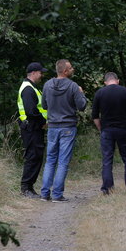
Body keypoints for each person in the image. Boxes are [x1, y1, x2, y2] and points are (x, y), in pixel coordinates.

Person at [40, 59, 87, 202]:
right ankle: (57, 195)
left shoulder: (47, 85)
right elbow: (82, 106)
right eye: (71, 68)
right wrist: (81, 93)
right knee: (63, 162)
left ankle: (44, 193)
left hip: (53, 127)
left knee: (50, 161)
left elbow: (44, 105)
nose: (73, 69)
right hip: (68, 127)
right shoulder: (73, 86)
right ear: (65, 71)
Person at [92, 72, 126, 194]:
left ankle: (107, 189)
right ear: (117, 81)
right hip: (123, 129)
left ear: (105, 82)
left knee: (107, 159)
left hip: (107, 130)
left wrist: (100, 128)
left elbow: (95, 115)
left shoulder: (100, 93)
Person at [17, 62, 48, 198]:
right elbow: (31, 111)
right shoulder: (28, 89)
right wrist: (43, 122)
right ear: (34, 73)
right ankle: (26, 188)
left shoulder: (31, 87)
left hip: (33, 128)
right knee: (32, 157)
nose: (42, 75)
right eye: (40, 73)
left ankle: (29, 187)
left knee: (36, 157)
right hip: (32, 128)